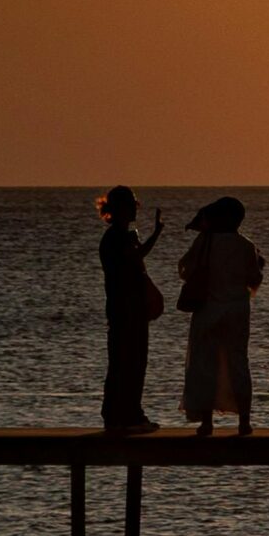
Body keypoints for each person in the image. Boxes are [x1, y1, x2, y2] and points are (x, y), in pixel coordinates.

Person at [177, 196, 265, 438]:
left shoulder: (205, 242)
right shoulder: (246, 246)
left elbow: (185, 269)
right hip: (237, 312)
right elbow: (254, 278)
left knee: (204, 364)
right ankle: (244, 422)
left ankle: (207, 423)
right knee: (238, 364)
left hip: (208, 310)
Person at [95, 186, 164, 434]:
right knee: (129, 364)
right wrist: (156, 234)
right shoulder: (116, 237)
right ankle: (125, 416)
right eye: (133, 203)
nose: (137, 207)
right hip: (125, 310)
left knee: (126, 364)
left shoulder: (121, 236)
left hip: (126, 309)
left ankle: (121, 415)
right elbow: (136, 258)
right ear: (120, 208)